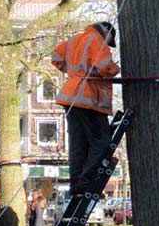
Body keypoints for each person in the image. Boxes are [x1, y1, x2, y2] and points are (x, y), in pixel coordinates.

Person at [51, 21, 120, 195]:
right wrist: (115, 68)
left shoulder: (76, 39)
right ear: (107, 33)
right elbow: (105, 67)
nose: (108, 45)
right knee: (101, 142)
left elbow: (56, 56)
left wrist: (74, 73)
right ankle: (86, 180)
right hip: (88, 98)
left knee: (78, 143)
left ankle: (77, 185)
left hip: (70, 96)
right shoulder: (96, 40)